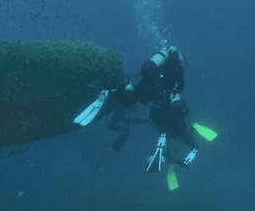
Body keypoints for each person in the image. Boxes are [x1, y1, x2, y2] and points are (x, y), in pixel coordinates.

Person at [74, 45, 217, 190]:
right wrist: (173, 92)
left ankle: (115, 90)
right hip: (164, 103)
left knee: (132, 97)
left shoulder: (156, 66)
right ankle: (173, 148)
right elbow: (181, 88)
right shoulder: (176, 68)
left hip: (148, 93)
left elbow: (144, 77)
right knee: (180, 131)